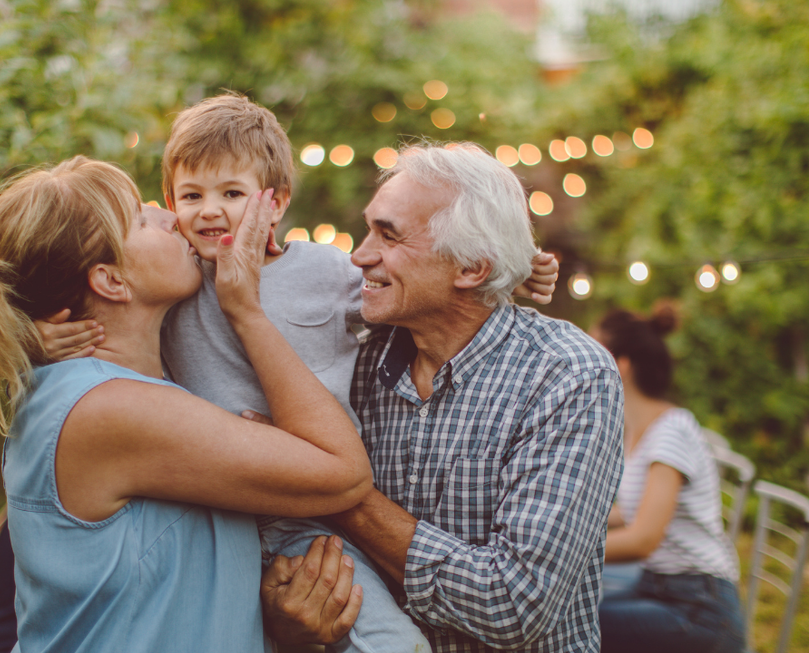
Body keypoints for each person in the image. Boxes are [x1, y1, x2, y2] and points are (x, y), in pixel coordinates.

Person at [36, 95, 559, 653]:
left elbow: (414, 289)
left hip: (311, 512)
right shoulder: (180, 283)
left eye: (232, 194)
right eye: (191, 197)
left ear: (275, 202)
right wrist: (34, 336)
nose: (209, 211)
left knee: (392, 639)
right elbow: (92, 316)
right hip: (222, 501)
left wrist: (505, 269)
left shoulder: (323, 271)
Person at [0, 156, 374, 653]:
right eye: (141, 219)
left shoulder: (100, 389)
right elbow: (344, 472)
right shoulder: (109, 409)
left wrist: (275, 626)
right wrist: (244, 309)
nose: (171, 216)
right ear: (112, 282)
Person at [260, 142, 625, 653]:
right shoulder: (352, 359)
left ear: (472, 267)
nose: (359, 256)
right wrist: (292, 619)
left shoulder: (566, 376)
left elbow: (513, 605)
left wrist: (329, 482)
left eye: (388, 235)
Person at [592, 307, 745, 653]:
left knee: (570, 624)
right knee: (573, 610)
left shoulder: (671, 430)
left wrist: (560, 550)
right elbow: (630, 512)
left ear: (621, 365)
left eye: (590, 346)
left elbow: (643, 539)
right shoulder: (638, 431)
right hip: (660, 588)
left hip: (699, 608)